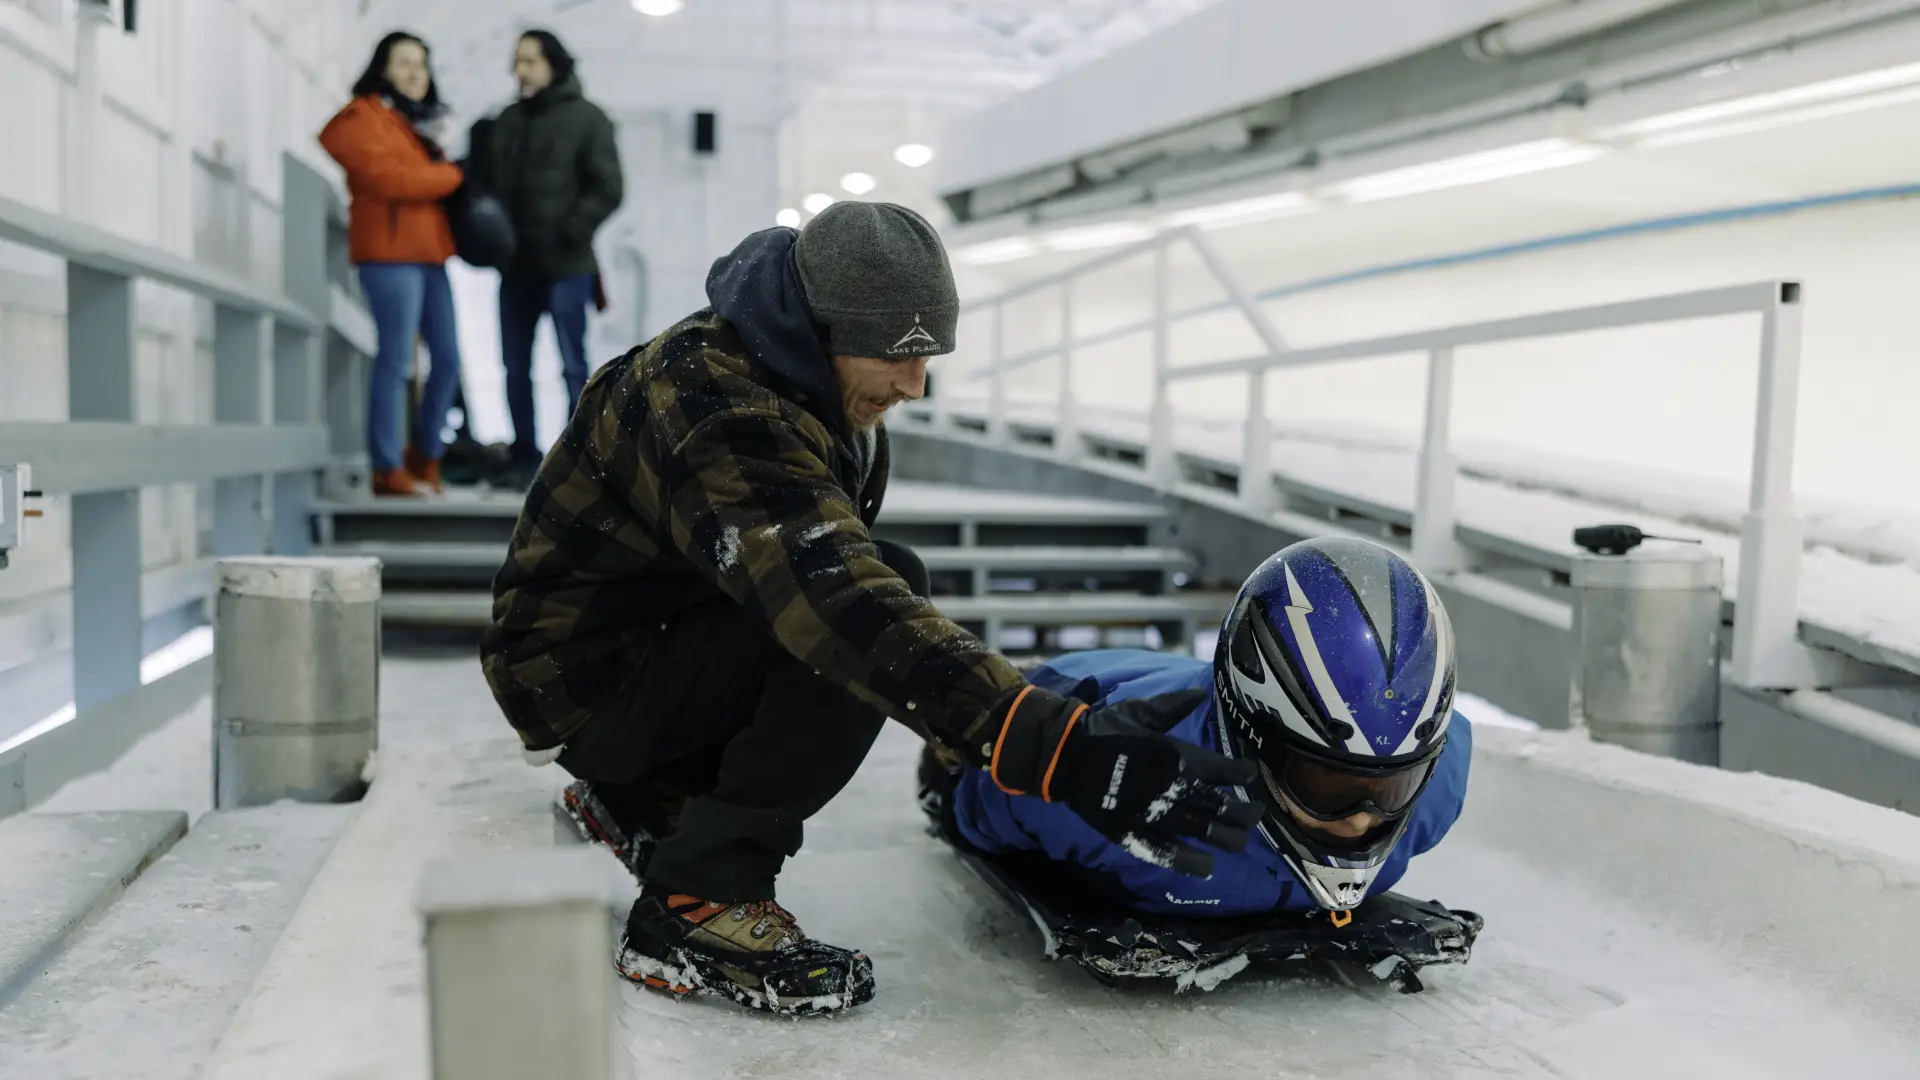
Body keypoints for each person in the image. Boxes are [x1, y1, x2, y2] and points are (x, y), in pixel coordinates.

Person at [481, 202, 1261, 1016]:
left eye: (928, 357)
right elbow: (838, 602)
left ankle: (651, 792)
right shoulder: (720, 402)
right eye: (896, 355)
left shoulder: (797, 377)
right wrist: (1041, 740)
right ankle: (697, 902)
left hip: (640, 650)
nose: (915, 385)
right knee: (855, 618)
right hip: (582, 685)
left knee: (888, 583)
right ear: (821, 325)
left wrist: (1017, 718)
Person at [929, 537, 1472, 918]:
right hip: (1082, 685)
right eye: (1329, 786)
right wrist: (955, 802)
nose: (1359, 824)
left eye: (1390, 789)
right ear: (1252, 738)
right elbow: (978, 797)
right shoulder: (1108, 798)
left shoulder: (1440, 784)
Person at [465, 29, 624, 485]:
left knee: (571, 363)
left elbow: (609, 187)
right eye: (517, 61)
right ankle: (522, 456)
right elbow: (485, 188)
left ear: (554, 63)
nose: (521, 70)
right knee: (514, 365)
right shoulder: (507, 121)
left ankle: (578, 459)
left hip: (567, 266)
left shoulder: (589, 120)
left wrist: (570, 231)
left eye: (530, 60)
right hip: (516, 268)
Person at [319, 31, 466, 497]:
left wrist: (440, 171)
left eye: (421, 64)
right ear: (382, 68)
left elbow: (410, 177)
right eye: (403, 63)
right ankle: (387, 465)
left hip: (431, 254)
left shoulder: (419, 128)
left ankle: (425, 454)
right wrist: (451, 175)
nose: (413, 73)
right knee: (397, 359)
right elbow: (389, 179)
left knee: (447, 360)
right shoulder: (360, 117)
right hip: (388, 255)